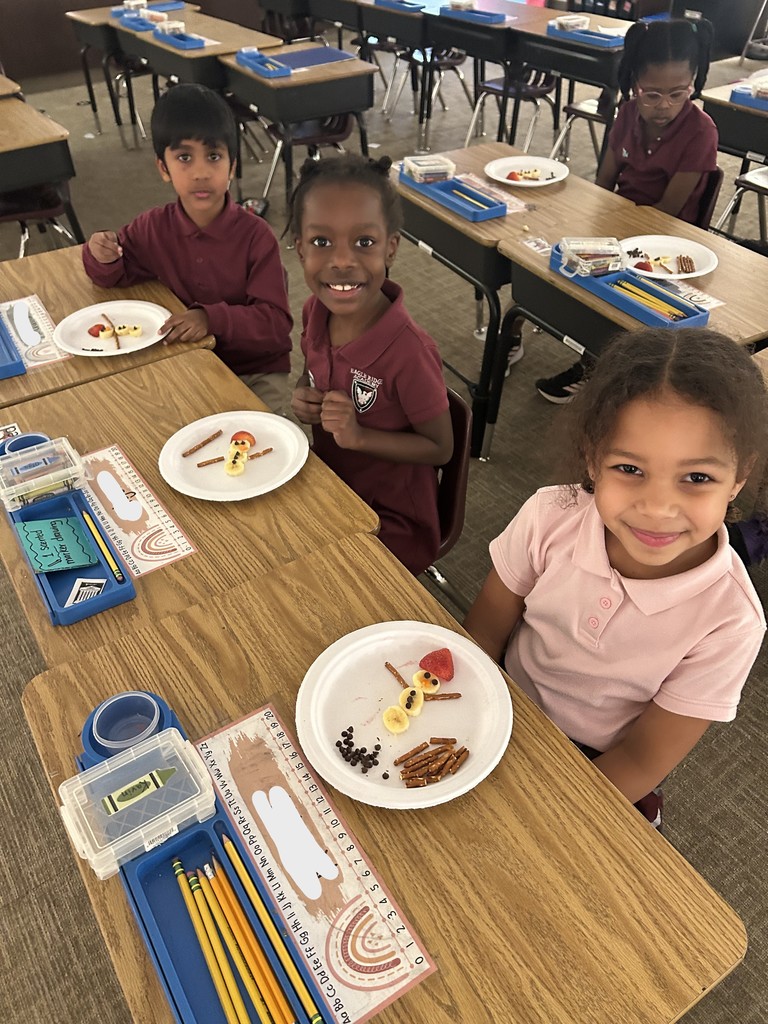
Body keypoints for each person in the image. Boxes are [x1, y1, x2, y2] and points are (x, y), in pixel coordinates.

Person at [464, 328, 767, 826]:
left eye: (696, 478)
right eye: (629, 468)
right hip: (501, 701)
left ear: (738, 477)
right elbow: (485, 628)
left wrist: (543, 815)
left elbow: (643, 760)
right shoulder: (550, 515)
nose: (658, 508)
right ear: (592, 457)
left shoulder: (731, 621)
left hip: (598, 766)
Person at [532, 17, 718, 404]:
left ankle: (594, 366)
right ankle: (566, 345)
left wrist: (609, 244)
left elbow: (667, 212)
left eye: (678, 94)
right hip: (619, 224)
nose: (663, 106)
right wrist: (587, 229)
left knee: (603, 286)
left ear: (693, 83)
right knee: (542, 256)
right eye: (651, 94)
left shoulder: (701, 131)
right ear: (634, 83)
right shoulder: (627, 114)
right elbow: (604, 185)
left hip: (668, 244)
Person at [289, 154, 453, 576]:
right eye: (322, 242)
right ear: (300, 248)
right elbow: (310, 374)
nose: (342, 261)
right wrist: (304, 399)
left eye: (364, 242)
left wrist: (359, 436)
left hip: (393, 520)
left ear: (390, 248)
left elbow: (441, 448)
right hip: (330, 486)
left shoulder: (409, 351)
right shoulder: (315, 311)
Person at [82, 84, 292, 413]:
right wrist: (101, 256)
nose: (200, 172)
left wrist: (211, 319)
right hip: (186, 361)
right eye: (184, 158)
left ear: (232, 166)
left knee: (271, 445)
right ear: (163, 169)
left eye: (214, 156)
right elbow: (115, 273)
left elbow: (276, 324)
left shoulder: (257, 237)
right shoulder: (152, 227)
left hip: (255, 370)